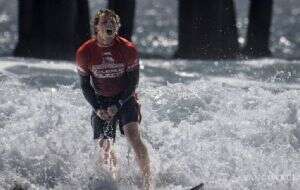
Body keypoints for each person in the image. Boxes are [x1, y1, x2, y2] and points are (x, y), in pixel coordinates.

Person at [76, 9, 152, 190]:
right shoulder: (85, 52)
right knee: (105, 145)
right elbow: (85, 86)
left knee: (133, 136)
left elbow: (133, 82)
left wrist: (118, 104)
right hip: (101, 100)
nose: (109, 25)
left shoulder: (128, 49)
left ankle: (149, 184)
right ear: (96, 27)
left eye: (113, 22)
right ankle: (115, 183)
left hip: (125, 98)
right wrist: (97, 108)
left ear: (117, 27)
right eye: (104, 22)